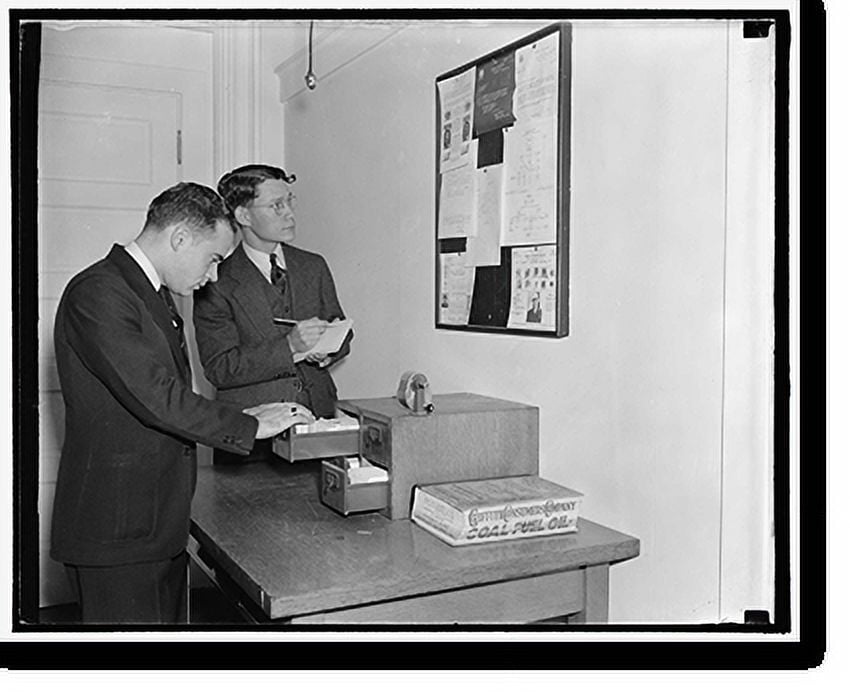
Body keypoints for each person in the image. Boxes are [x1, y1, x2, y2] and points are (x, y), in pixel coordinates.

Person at [50, 182, 314, 625]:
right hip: (118, 533)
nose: (212, 277)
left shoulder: (147, 292)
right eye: (213, 259)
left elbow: (157, 395)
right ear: (179, 238)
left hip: (153, 525)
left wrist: (243, 416)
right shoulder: (99, 291)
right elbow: (155, 395)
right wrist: (249, 426)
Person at [193, 164, 353, 465]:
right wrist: (290, 348)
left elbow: (340, 329)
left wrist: (327, 350)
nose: (289, 213)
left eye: (290, 201)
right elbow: (219, 368)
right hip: (251, 438)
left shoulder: (313, 266)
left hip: (319, 424)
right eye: (276, 205)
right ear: (243, 216)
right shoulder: (214, 280)